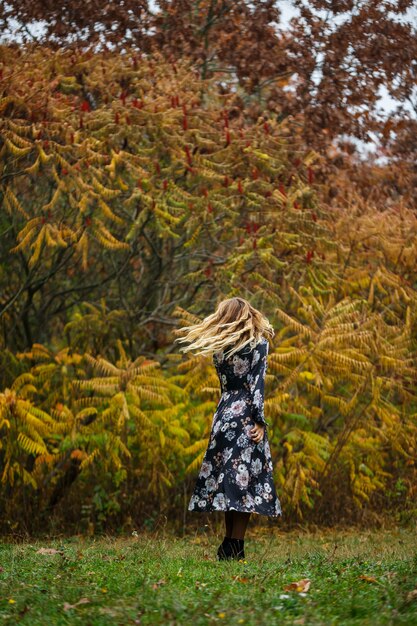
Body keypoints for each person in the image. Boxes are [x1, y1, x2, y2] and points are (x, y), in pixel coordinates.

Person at [175, 296, 282, 561]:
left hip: (223, 415)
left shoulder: (220, 349)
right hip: (246, 416)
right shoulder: (259, 346)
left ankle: (229, 545)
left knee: (228, 483)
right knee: (243, 484)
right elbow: (257, 387)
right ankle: (236, 545)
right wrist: (259, 421)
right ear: (248, 315)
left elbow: (225, 387)